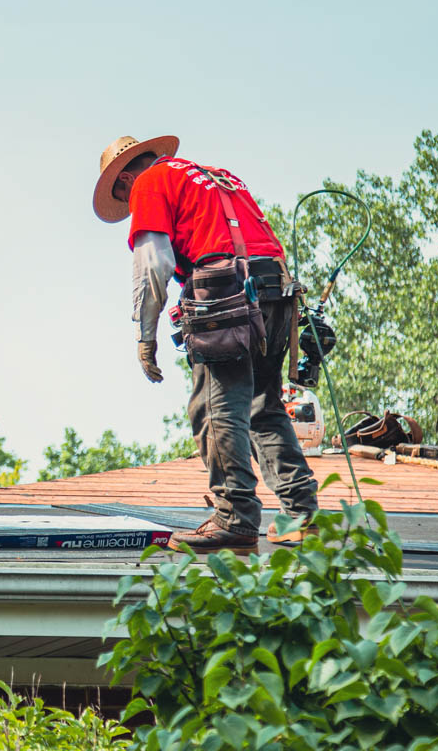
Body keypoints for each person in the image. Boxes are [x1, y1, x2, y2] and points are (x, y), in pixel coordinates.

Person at [92, 135, 319, 554]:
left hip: (227, 296)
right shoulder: (215, 176)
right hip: (275, 291)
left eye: (124, 197)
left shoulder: (149, 182)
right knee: (262, 405)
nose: (130, 204)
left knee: (214, 407)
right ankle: (302, 516)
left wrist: (145, 337)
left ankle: (234, 517)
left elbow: (153, 263)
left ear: (125, 178)